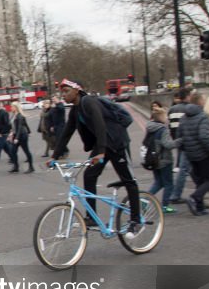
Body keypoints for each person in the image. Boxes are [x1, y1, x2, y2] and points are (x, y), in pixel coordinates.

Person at [51, 78, 142, 232]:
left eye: (66, 91)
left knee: (128, 180)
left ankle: (136, 220)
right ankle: (92, 217)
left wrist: (100, 152)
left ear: (77, 90)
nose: (63, 95)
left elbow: (100, 124)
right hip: (103, 146)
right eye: (62, 92)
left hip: (117, 143)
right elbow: (66, 133)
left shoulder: (89, 102)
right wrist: (54, 156)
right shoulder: (75, 110)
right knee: (89, 175)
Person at [178, 92, 209, 216]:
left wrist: (185, 149)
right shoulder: (202, 116)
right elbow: (204, 137)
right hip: (203, 154)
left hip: (190, 154)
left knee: (200, 181)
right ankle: (194, 197)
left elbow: (179, 136)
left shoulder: (184, 117)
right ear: (200, 101)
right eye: (203, 100)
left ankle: (200, 208)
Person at [144, 107, 179, 213]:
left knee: (158, 182)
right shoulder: (163, 130)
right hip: (165, 160)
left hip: (153, 160)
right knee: (169, 184)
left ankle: (144, 200)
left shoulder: (150, 128)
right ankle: (165, 206)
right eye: (165, 116)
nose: (167, 118)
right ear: (161, 117)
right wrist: (179, 141)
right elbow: (168, 145)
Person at [166, 87, 194, 204]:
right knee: (184, 169)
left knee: (188, 167)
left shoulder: (171, 109)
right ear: (187, 96)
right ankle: (176, 195)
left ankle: (199, 190)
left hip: (177, 139)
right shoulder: (189, 109)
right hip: (187, 140)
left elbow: (170, 126)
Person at [9, 106, 34, 173]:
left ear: (16, 108)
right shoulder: (13, 115)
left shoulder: (20, 116)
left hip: (22, 135)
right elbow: (13, 126)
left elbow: (20, 127)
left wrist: (17, 138)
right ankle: (16, 167)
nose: (11, 108)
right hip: (16, 135)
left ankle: (31, 167)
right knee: (13, 151)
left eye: (12, 107)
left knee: (26, 151)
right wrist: (11, 133)